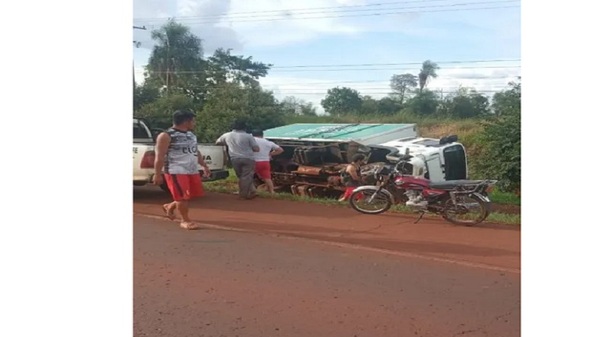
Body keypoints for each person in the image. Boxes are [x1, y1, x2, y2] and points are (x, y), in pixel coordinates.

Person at [153, 110, 211, 230]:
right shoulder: (166, 136)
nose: (194, 123)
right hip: (176, 170)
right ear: (186, 121)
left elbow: (196, 151)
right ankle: (185, 220)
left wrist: (204, 165)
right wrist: (157, 174)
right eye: (193, 121)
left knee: (189, 195)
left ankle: (170, 206)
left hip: (191, 170)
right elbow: (159, 156)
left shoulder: (191, 135)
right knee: (182, 197)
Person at [216, 120, 260, 199]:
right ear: (244, 127)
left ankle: (253, 190)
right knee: (246, 176)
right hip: (248, 158)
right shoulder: (248, 136)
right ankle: (244, 195)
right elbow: (256, 148)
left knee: (242, 177)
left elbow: (217, 142)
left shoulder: (227, 135)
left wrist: (228, 144)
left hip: (234, 158)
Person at [251, 129, 284, 194]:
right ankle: (272, 191)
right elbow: (280, 150)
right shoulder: (268, 142)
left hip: (253, 161)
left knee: (248, 176)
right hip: (265, 161)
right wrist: (270, 154)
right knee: (267, 178)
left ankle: (249, 190)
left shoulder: (252, 141)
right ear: (262, 135)